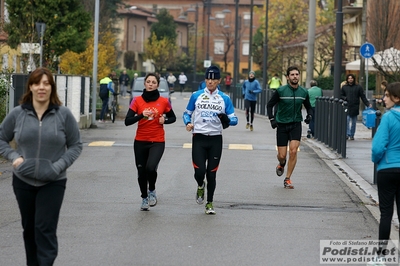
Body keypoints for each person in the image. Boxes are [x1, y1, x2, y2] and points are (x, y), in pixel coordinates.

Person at [0, 67, 82, 265]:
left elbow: (76, 145)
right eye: (37, 83)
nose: (41, 88)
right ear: (31, 86)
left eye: (46, 83)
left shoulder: (63, 115)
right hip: (23, 181)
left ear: (51, 87)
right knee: (29, 229)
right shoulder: (18, 114)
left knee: (44, 228)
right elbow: (1, 138)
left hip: (53, 181)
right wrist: (14, 157)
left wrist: (59, 166)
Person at [183, 65, 238, 215]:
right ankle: (201, 185)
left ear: (219, 81)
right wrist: (188, 123)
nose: (210, 82)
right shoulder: (196, 95)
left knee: (212, 173)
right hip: (199, 138)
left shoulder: (224, 98)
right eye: (208, 78)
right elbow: (186, 113)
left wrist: (226, 118)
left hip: (215, 139)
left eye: (214, 79)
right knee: (199, 172)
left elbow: (234, 119)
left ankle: (209, 203)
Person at [125, 73, 176, 211]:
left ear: (157, 85)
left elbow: (173, 118)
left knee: (151, 168)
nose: (151, 84)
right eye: (148, 81)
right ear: (145, 84)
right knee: (141, 171)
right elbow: (127, 121)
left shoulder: (164, 101)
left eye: (153, 82)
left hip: (157, 141)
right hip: (140, 140)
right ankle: (144, 197)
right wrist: (141, 115)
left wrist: (164, 120)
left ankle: (152, 190)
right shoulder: (137, 101)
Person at [266, 66, 313, 189]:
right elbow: (270, 105)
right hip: (281, 125)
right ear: (287, 77)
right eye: (292, 75)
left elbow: (308, 106)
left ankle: (287, 179)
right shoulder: (281, 91)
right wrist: (272, 119)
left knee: (293, 151)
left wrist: (310, 115)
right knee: (282, 155)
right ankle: (281, 164)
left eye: (297, 74)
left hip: (296, 124)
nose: (295, 77)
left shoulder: (303, 92)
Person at [371, 82, 400, 250]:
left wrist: (377, 159)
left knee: (386, 214)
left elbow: (377, 147)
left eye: (387, 95)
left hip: (388, 168)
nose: (384, 99)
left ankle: (380, 255)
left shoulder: (388, 117)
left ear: (396, 98)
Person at [341, 73, 372, 140]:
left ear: (353, 79)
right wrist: (345, 98)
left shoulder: (358, 87)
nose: (350, 80)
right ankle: (347, 134)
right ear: (347, 79)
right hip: (347, 106)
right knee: (347, 120)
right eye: (349, 78)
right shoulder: (344, 87)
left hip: (355, 106)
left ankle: (352, 135)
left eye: (351, 78)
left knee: (354, 122)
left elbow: (363, 96)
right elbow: (341, 95)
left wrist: (367, 103)